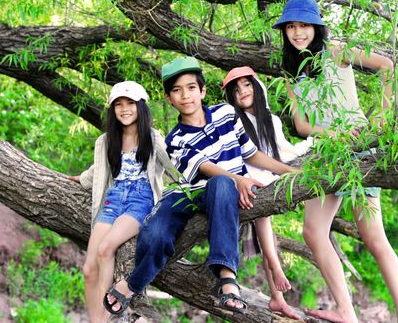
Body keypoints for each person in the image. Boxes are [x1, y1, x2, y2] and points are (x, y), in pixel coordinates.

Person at [103, 56, 298, 315]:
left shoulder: (226, 114)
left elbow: (251, 154)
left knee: (222, 184)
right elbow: (205, 168)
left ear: (203, 91)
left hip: (221, 193)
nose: (185, 95)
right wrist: (239, 179)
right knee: (156, 234)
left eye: (191, 87)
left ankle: (227, 278)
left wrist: (291, 171)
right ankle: (133, 284)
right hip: (188, 195)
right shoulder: (175, 140)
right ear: (169, 98)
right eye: (177, 90)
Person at [273, 0, 398, 323]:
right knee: (312, 231)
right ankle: (346, 310)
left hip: (359, 149)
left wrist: (381, 117)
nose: (297, 32)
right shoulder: (290, 70)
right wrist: (329, 135)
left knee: (374, 237)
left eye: (304, 25)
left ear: (316, 27)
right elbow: (302, 125)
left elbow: (387, 66)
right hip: (326, 154)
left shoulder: (336, 50)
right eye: (291, 27)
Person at [69, 81, 176, 322]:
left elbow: (174, 167)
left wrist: (197, 185)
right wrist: (82, 179)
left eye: (130, 103)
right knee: (88, 269)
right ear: (112, 109)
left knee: (106, 249)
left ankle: (107, 318)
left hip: (141, 200)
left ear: (141, 106)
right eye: (119, 104)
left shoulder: (152, 137)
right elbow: (100, 167)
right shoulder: (107, 140)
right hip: (114, 199)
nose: (124, 108)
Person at [222, 66, 316, 319]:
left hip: (266, 176)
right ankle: (275, 268)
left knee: (269, 238)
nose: (242, 91)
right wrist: (283, 172)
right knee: (263, 212)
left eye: (247, 85)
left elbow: (282, 151)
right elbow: (246, 157)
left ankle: (277, 298)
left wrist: (310, 148)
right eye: (236, 89)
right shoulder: (233, 121)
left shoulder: (270, 120)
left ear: (257, 87)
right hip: (244, 177)